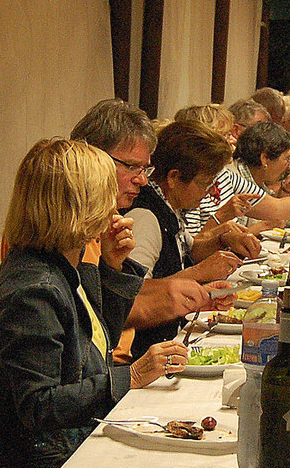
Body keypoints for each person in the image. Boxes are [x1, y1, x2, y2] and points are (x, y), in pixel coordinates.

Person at [0, 139, 186, 468]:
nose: (116, 204)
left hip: (39, 455)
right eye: (104, 194)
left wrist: (112, 265)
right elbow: (38, 406)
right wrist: (134, 376)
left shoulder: (62, 262)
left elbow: (97, 344)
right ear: (80, 205)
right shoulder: (34, 288)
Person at [71, 99, 252, 343]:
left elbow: (115, 306)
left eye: (145, 168)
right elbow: (131, 305)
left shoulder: (118, 217)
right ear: (93, 159)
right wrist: (196, 276)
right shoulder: (138, 218)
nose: (143, 180)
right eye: (133, 167)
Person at [126, 122, 245, 353]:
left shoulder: (169, 206)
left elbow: (188, 250)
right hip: (149, 352)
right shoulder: (145, 218)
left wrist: (222, 240)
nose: (211, 191)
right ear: (174, 177)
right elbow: (134, 293)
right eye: (204, 183)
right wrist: (198, 274)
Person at [185, 121, 290, 231]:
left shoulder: (227, 176)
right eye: (226, 136)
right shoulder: (197, 185)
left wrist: (286, 189)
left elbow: (276, 209)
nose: (233, 141)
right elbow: (193, 249)